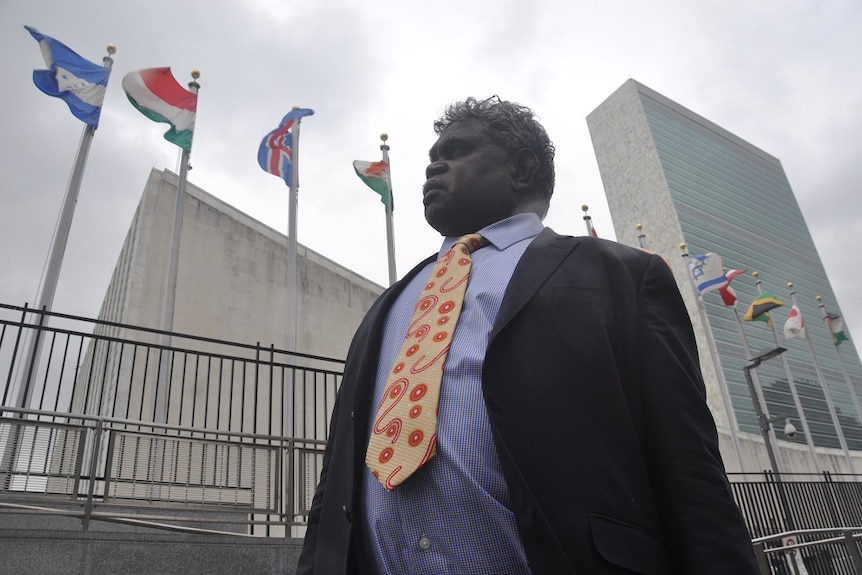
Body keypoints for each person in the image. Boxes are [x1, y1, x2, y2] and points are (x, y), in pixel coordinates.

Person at [297, 96, 758, 574]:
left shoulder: (621, 278)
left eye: (456, 151)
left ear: (521, 169)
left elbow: (690, 474)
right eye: (432, 157)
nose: (434, 166)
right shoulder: (387, 307)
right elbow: (336, 480)